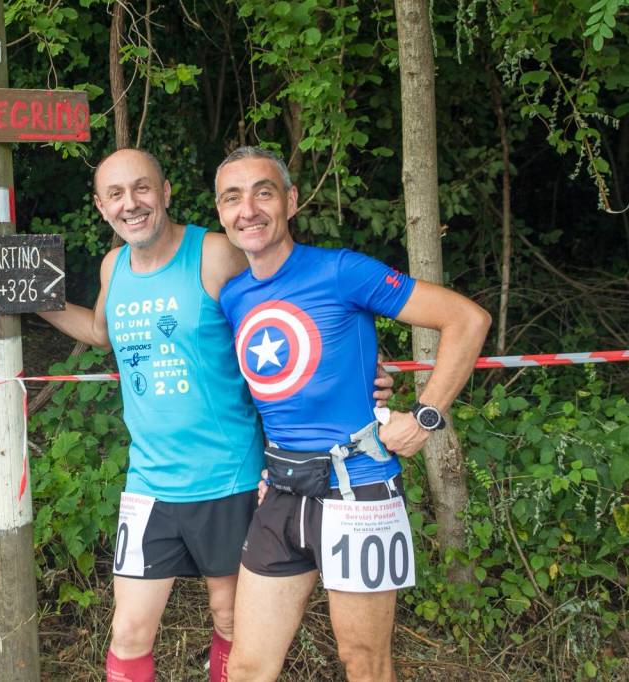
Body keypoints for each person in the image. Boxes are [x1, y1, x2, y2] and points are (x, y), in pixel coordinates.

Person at [39, 148, 394, 682]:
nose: (130, 203)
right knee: (129, 630)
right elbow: (99, 332)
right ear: (100, 206)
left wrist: (357, 365)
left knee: (231, 620)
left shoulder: (216, 252)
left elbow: (283, 305)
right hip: (149, 481)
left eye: (142, 189)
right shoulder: (114, 265)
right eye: (115, 194)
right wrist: (29, 296)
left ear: (165, 193)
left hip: (227, 476)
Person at [214, 146, 491, 682]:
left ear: (291, 201)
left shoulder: (342, 270)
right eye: (233, 198)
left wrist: (427, 414)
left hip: (357, 488)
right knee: (248, 666)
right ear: (222, 213)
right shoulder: (234, 295)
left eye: (263, 192)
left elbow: (466, 319)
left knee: (363, 663)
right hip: (282, 489)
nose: (248, 209)